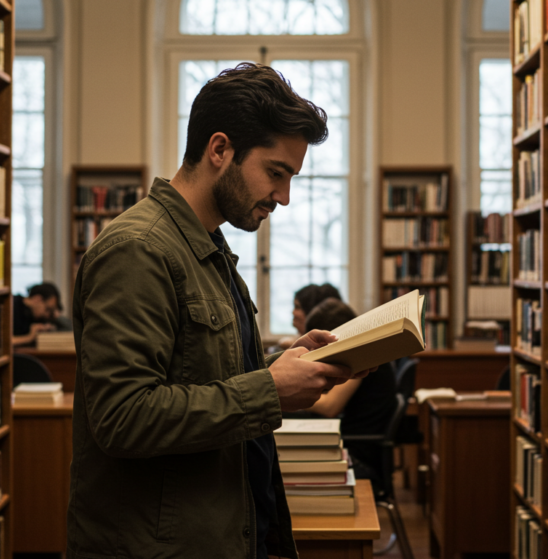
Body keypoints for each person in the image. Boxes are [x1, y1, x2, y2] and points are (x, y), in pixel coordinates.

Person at [69, 63, 371, 559]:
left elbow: (202, 378)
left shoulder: (208, 250)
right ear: (220, 150)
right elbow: (121, 417)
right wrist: (269, 390)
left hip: (225, 530)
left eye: (290, 178)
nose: (284, 197)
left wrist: (283, 365)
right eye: (276, 173)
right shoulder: (138, 250)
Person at [303, 298, 398, 495]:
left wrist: (283, 394)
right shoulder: (367, 347)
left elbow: (330, 407)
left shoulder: (360, 354)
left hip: (358, 455)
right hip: (358, 444)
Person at [11, 282, 62, 347]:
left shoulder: (37, 317)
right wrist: (29, 337)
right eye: (48, 309)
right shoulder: (11, 307)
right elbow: (3, 342)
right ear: (37, 299)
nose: (47, 315)